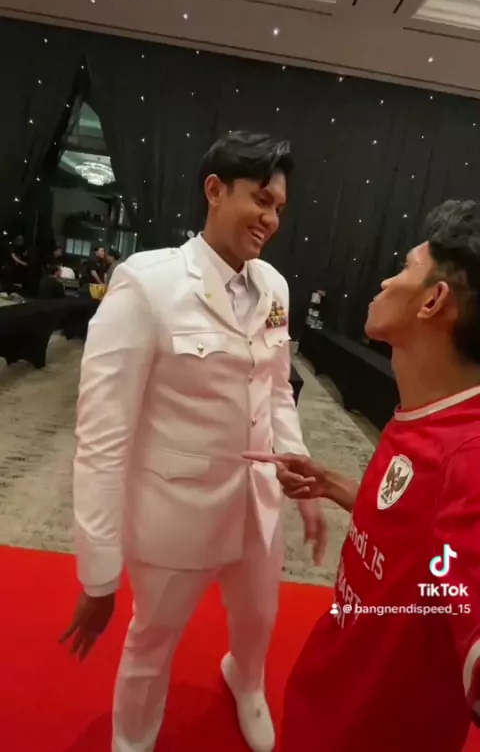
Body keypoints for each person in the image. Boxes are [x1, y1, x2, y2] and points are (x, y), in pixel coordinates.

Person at [62, 131, 325, 752]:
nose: (270, 219)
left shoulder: (275, 287)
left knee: (259, 619)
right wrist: (98, 571)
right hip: (176, 509)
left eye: (279, 208)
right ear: (215, 190)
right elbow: (102, 436)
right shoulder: (147, 284)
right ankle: (132, 739)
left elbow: (276, 388)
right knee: (153, 639)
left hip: (258, 505)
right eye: (260, 199)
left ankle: (246, 680)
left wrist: (302, 474)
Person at [248, 199, 480, 752]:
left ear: (433, 300)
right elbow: (420, 535)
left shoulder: (469, 458)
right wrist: (334, 485)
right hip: (329, 692)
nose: (385, 280)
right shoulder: (425, 412)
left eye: (404, 267)